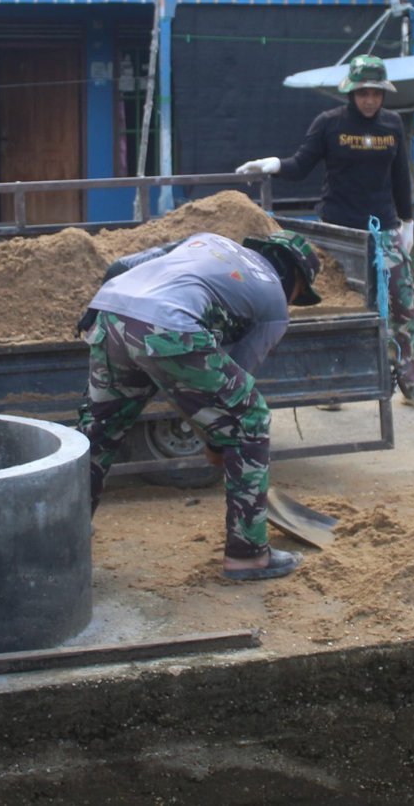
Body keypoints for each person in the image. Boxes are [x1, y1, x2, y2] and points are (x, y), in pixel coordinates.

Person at [75, 230, 323, 582]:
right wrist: (219, 439)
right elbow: (236, 386)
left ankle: (67, 526)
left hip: (109, 312)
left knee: (100, 428)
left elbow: (122, 265)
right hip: (168, 325)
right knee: (250, 417)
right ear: (295, 279)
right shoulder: (274, 303)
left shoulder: (207, 241)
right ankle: (249, 555)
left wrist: (212, 429)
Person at [234, 54, 414, 410]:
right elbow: (302, 164)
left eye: (376, 92)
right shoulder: (330, 124)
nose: (370, 100)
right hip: (339, 232)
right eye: (363, 93)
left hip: (383, 232)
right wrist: (274, 165)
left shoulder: (392, 126)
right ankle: (332, 386)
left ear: (383, 93)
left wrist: (407, 222)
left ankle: (411, 382)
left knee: (402, 307)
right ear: (350, 93)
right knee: (339, 312)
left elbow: (400, 178)